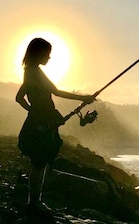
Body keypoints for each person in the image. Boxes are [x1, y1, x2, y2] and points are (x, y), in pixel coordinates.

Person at [16, 37, 94, 211]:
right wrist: (84, 98)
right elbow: (56, 92)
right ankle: (35, 203)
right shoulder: (35, 72)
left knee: (39, 162)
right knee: (40, 162)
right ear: (39, 53)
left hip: (39, 118)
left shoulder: (28, 71)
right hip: (43, 119)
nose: (49, 58)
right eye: (47, 54)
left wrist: (32, 110)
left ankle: (34, 201)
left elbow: (19, 98)